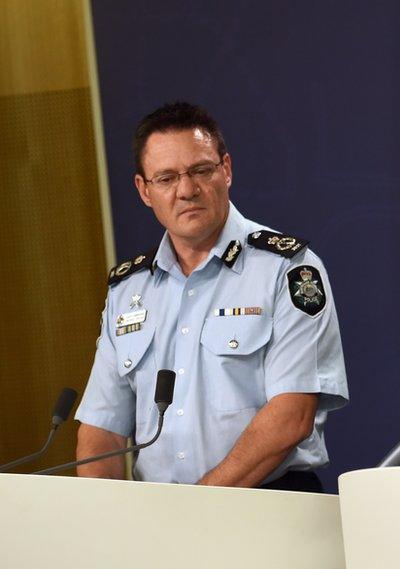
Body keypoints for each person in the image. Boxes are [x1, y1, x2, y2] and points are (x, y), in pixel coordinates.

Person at [74, 102, 348, 491]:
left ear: (226, 169)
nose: (187, 190)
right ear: (144, 191)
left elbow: (291, 417)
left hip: (267, 506)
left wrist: (199, 507)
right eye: (166, 178)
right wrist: (108, 526)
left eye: (201, 170)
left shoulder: (287, 269)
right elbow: (102, 431)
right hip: (160, 523)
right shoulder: (127, 291)